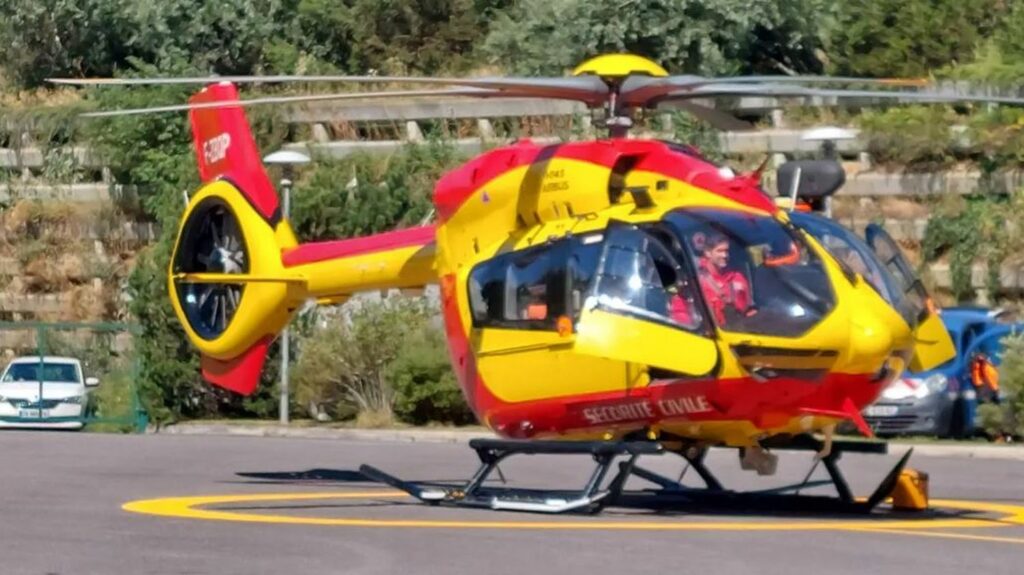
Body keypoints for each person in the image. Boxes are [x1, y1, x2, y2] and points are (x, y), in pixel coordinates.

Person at [693, 231, 752, 326]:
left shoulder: (737, 277)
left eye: (726, 251)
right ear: (708, 253)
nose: (724, 255)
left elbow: (748, 308)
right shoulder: (697, 280)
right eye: (719, 251)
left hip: (740, 330)